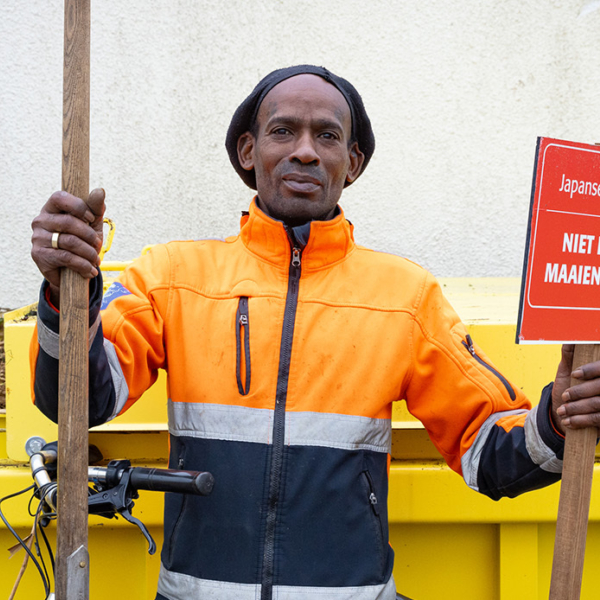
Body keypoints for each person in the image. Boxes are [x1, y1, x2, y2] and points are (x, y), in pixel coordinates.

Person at [30, 65, 600, 600]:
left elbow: (491, 453)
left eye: (327, 136)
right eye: (283, 131)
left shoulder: (404, 297)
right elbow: (77, 402)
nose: (305, 150)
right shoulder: (172, 277)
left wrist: (557, 420)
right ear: (249, 152)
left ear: (351, 163)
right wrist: (65, 298)